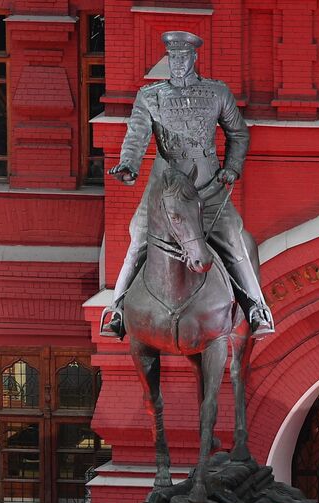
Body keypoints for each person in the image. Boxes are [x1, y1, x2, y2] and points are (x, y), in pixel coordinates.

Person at [99, 31, 273, 340]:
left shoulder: (217, 93)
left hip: (207, 183)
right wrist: (129, 166)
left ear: (193, 58)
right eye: (172, 58)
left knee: (232, 237)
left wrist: (231, 167)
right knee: (138, 237)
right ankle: (117, 309)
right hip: (164, 183)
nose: (177, 63)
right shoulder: (150, 96)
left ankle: (257, 308)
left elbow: (238, 133)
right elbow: (136, 137)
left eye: (182, 57)